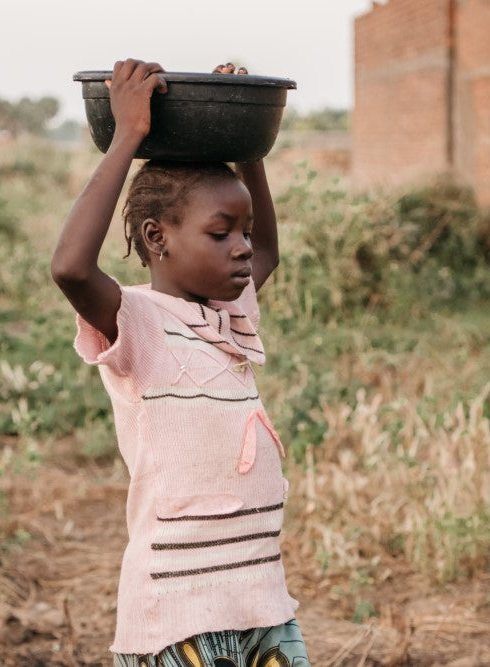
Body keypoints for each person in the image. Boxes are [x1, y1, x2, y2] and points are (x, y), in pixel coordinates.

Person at [51, 59, 310, 666]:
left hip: (262, 607)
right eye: (221, 233)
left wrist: (247, 145)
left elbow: (269, 246)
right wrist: (128, 136)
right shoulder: (138, 324)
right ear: (157, 237)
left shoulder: (229, 311)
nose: (244, 246)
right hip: (177, 618)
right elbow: (70, 267)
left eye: (242, 230)